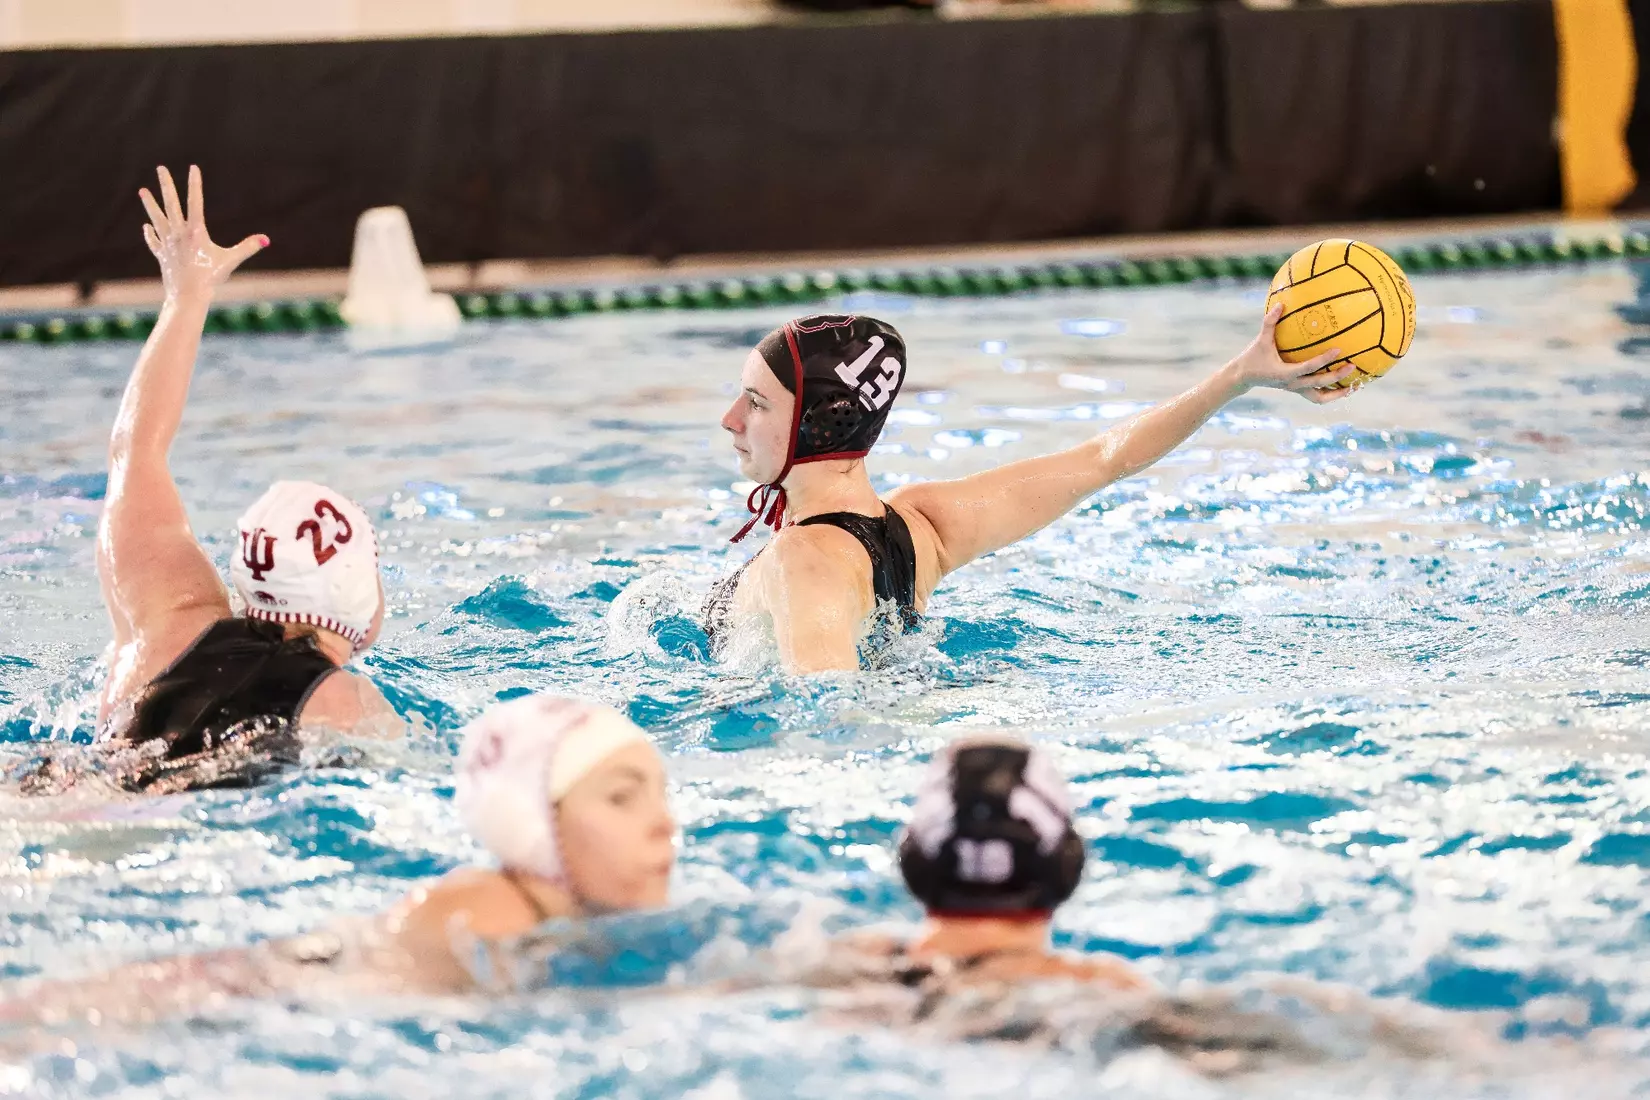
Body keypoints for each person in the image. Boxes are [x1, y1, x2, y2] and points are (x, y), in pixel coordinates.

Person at [704, 312, 1355, 673]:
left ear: (817, 423)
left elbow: (826, 725)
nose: (731, 419)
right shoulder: (922, 526)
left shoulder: (805, 561)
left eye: (757, 403)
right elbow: (1103, 461)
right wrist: (1239, 376)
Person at [29, 165, 399, 794]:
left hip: (52, 787)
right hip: (134, 837)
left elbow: (135, 451)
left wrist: (186, 297)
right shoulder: (351, 708)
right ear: (359, 600)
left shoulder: (169, 618)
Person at [0, 695, 678, 1029]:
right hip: (261, 991)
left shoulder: (537, 908)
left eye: (660, 792)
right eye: (621, 797)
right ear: (534, 824)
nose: (665, 824)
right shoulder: (489, 910)